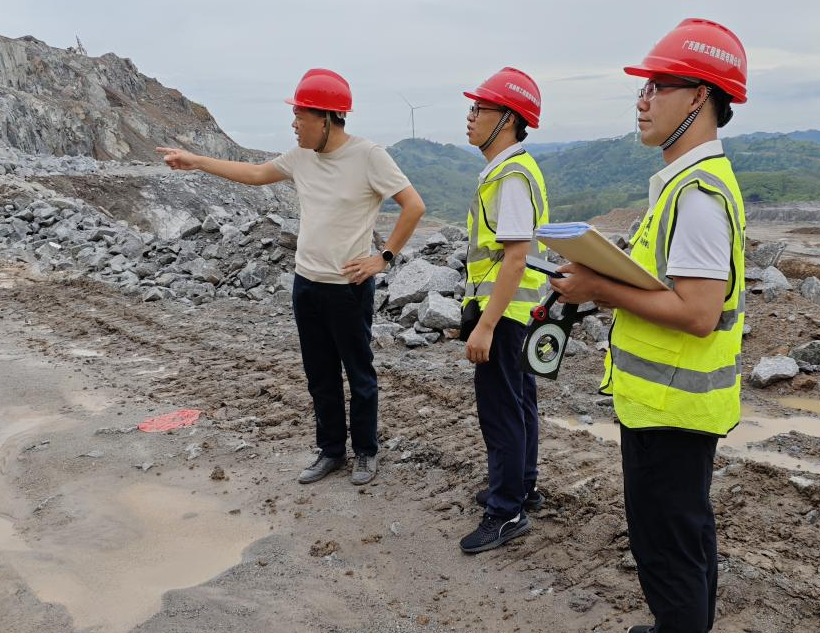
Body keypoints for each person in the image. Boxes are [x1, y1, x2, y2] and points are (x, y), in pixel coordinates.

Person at [553, 20, 748, 633]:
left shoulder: (697, 194)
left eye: (658, 85)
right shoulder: (687, 184)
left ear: (699, 96)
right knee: (689, 528)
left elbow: (698, 311)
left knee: (667, 545)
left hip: (673, 403)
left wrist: (597, 288)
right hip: (676, 401)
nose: (643, 99)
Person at [157, 69, 425, 486]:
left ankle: (366, 452)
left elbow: (413, 206)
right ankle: (331, 451)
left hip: (348, 287)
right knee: (319, 374)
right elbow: (254, 174)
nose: (294, 125)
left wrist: (383, 258)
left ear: (327, 117)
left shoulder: (368, 156)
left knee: (359, 373)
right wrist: (196, 162)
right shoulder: (301, 157)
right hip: (306, 284)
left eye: (300, 116)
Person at [457, 67, 550, 554]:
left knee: (501, 413)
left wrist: (486, 325)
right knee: (519, 404)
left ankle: (505, 510)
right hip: (515, 312)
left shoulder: (511, 177)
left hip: (506, 314)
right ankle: (521, 486)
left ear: (509, 119)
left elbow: (515, 255)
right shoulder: (507, 170)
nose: (470, 118)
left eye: (480, 109)